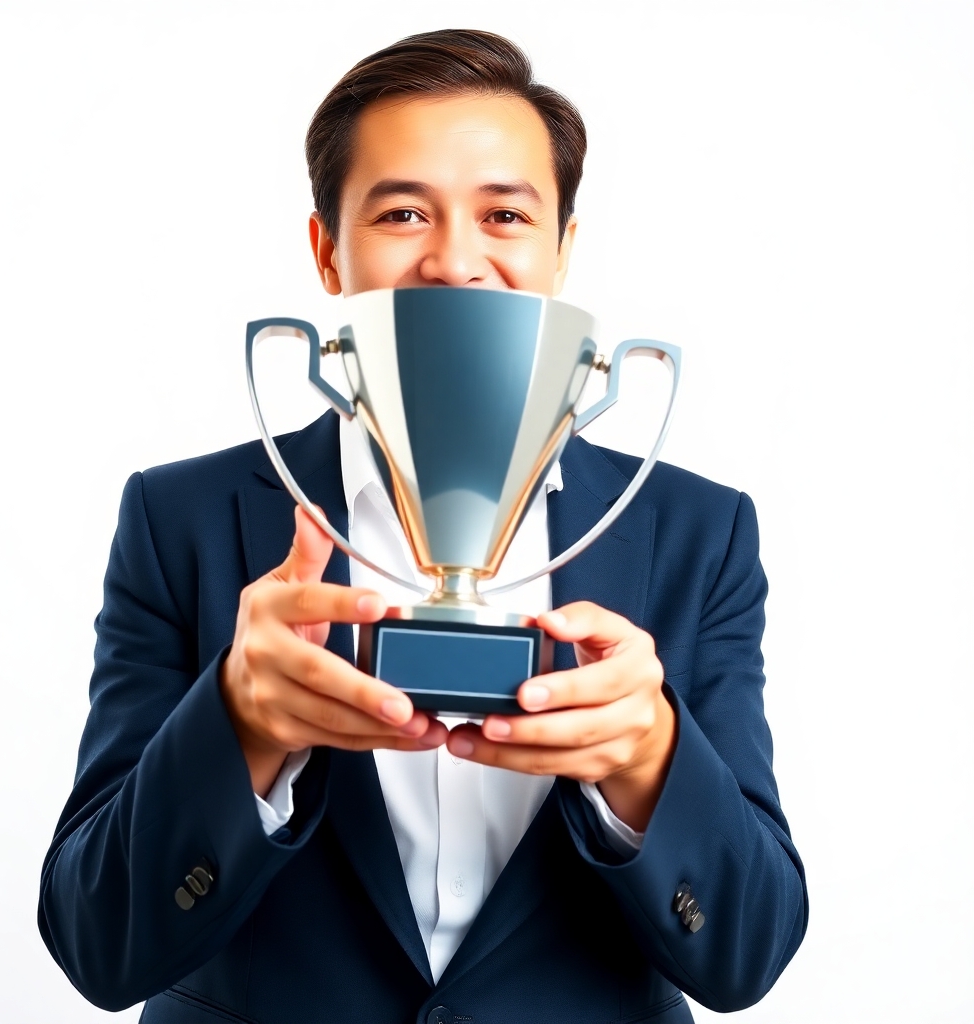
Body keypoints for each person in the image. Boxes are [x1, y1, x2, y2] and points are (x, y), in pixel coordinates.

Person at [39, 29, 807, 1024]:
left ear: (562, 251)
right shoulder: (178, 520)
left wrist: (648, 757)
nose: (454, 261)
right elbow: (100, 945)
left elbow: (744, 956)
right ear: (328, 251)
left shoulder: (697, 533)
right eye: (403, 212)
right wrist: (239, 724)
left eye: (504, 215)